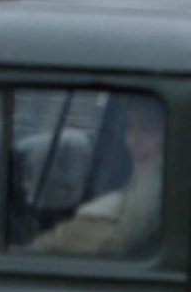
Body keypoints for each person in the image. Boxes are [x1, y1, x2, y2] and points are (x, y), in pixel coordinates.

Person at [29, 97, 166, 257]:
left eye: (149, 130)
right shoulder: (142, 179)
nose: (133, 141)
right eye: (130, 128)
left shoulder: (158, 184)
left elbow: (116, 240)